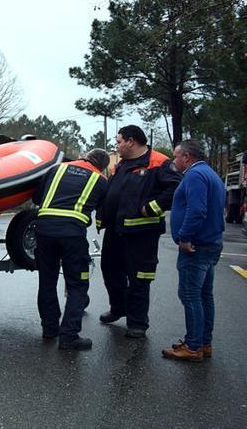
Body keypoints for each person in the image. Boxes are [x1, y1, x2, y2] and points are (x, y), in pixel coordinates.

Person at [96, 125, 182, 338]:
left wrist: (152, 206)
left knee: (139, 277)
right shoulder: (122, 164)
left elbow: (176, 189)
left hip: (142, 233)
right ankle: (118, 308)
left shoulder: (159, 162)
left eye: (119, 142)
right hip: (116, 230)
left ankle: (137, 323)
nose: (117, 145)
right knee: (110, 271)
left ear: (131, 141)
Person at [32, 148, 109, 350]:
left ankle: (49, 329)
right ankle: (69, 336)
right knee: (77, 285)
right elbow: (104, 209)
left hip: (44, 231)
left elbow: (37, 198)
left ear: (85, 157)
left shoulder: (57, 168)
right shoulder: (100, 180)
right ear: (102, 166)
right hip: (72, 236)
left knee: (47, 281)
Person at [162, 140, 226, 362]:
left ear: (186, 157)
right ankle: (203, 342)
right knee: (204, 295)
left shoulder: (194, 175)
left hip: (196, 246)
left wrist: (185, 237)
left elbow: (197, 210)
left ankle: (193, 346)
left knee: (190, 295)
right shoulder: (211, 174)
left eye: (176, 156)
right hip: (211, 242)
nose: (174, 160)